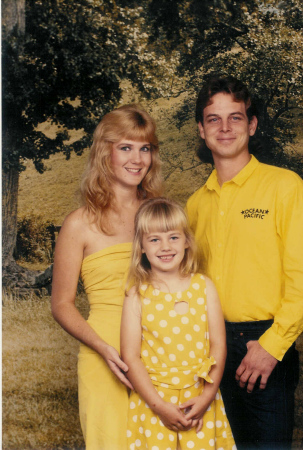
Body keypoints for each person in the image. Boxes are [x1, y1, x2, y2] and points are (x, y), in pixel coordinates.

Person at [186, 75, 303, 449]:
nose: (225, 127)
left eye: (235, 117)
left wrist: (272, 345)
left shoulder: (285, 186)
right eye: (213, 119)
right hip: (209, 346)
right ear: (201, 130)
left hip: (263, 342)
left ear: (252, 124)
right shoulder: (196, 203)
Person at [51, 104, 163, 450]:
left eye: (145, 148)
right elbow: (62, 304)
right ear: (105, 152)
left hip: (162, 350)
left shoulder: (160, 213)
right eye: (126, 147)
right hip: (107, 357)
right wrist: (101, 348)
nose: (137, 159)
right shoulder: (79, 223)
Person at [121, 197, 236, 450]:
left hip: (200, 399)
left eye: (173, 237)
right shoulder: (136, 295)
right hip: (154, 401)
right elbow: (131, 357)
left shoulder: (204, 287)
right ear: (141, 246)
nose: (165, 246)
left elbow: (218, 347)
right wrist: (159, 406)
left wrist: (206, 398)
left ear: (186, 242)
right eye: (154, 239)